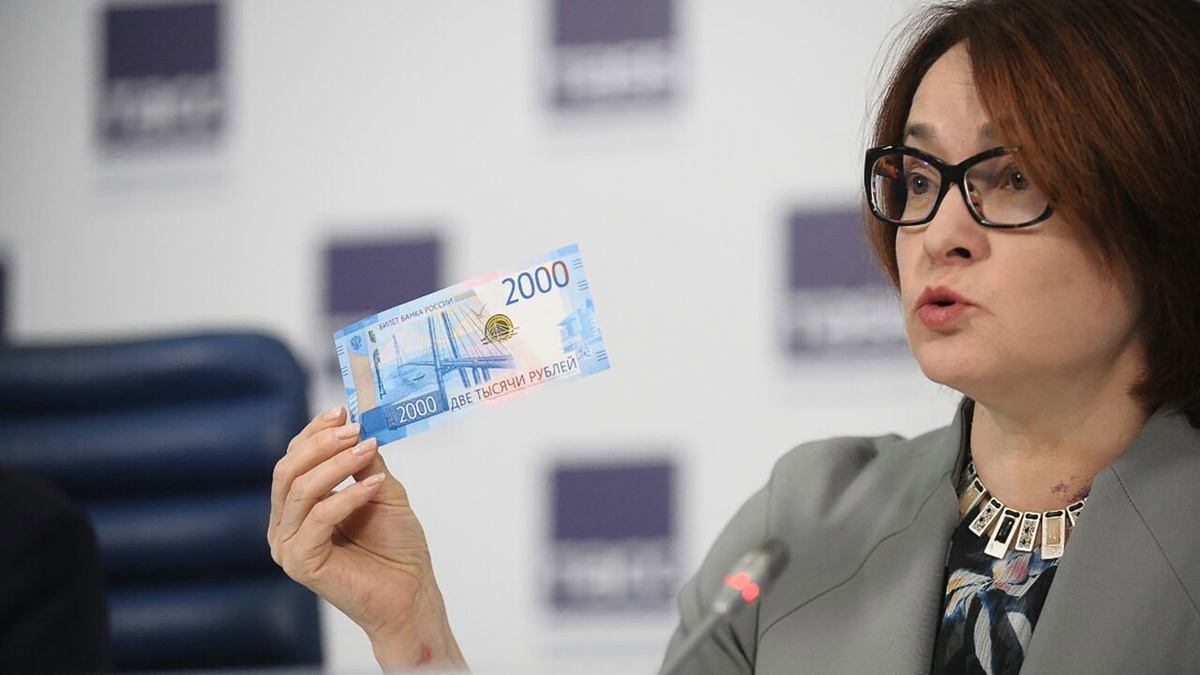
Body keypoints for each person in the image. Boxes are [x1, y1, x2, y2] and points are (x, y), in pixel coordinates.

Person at [267, 0, 1200, 672]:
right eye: (918, 178)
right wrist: (415, 632)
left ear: (1154, 199)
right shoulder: (796, 526)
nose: (938, 231)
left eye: (1012, 175)